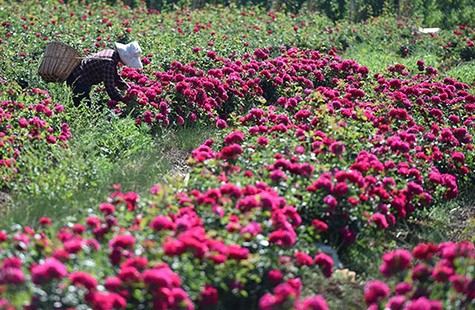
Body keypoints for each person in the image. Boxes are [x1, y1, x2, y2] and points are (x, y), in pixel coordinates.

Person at [66, 41, 143, 107]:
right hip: (78, 81)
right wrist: (123, 101)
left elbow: (115, 75)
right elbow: (110, 87)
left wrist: (127, 88)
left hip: (78, 76)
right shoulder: (109, 63)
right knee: (83, 107)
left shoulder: (112, 53)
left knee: (83, 105)